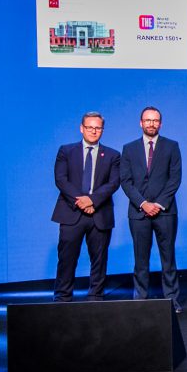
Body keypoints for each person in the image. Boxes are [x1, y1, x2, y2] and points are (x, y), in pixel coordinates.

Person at [51, 112, 121, 302]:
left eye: (98, 128)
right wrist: (81, 201)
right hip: (71, 212)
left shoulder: (113, 155)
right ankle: (63, 297)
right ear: (81, 128)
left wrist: (92, 201)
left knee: (99, 260)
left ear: (102, 130)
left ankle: (95, 297)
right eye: (90, 127)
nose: (93, 131)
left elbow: (113, 183)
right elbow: (61, 179)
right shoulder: (66, 151)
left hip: (100, 214)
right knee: (67, 258)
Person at [120, 107, 183, 313]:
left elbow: (175, 179)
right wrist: (143, 204)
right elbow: (126, 181)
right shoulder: (129, 149)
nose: (151, 124)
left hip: (165, 212)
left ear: (160, 124)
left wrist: (159, 204)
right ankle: (140, 300)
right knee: (140, 260)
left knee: (168, 258)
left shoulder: (172, 146)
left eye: (155, 120)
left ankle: (172, 300)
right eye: (147, 120)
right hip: (138, 213)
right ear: (141, 123)